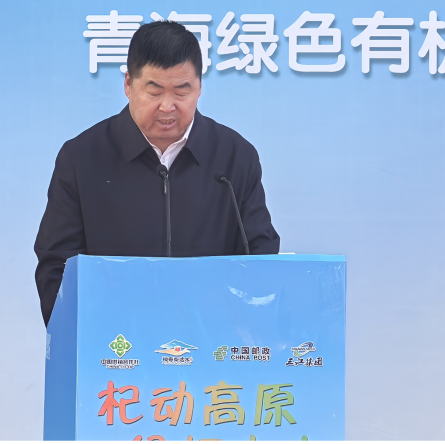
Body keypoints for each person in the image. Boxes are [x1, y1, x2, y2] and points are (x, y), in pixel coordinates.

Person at [34, 21, 280, 324]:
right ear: (128, 84)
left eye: (181, 91)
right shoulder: (82, 157)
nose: (167, 106)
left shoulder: (235, 156)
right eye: (154, 91)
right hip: (114, 341)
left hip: (212, 341)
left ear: (199, 87)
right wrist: (82, 334)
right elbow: (57, 265)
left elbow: (261, 257)